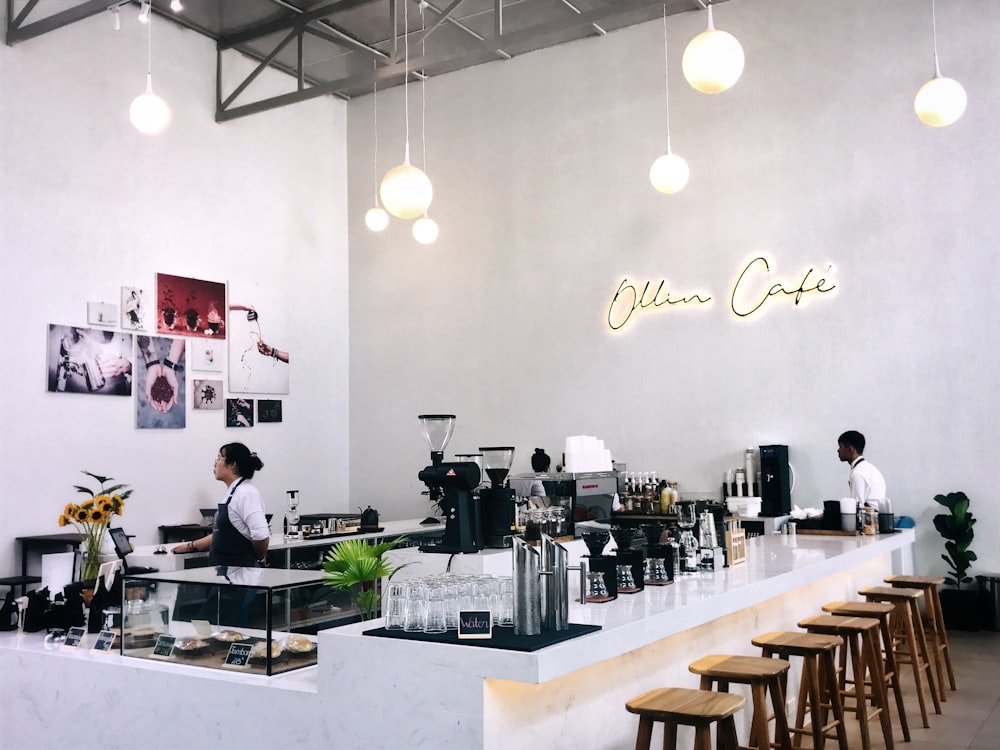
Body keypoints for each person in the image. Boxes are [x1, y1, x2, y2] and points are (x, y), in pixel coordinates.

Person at [171, 443, 270, 567]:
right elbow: (222, 534)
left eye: (219, 458)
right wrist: (192, 546)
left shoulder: (247, 493)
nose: (215, 463)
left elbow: (261, 536)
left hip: (242, 575)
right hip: (226, 572)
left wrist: (259, 559)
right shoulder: (233, 493)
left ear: (233, 465)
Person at [837, 430, 886, 506]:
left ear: (850, 449)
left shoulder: (858, 473)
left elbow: (857, 506)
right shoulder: (870, 469)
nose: (838, 450)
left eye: (840, 447)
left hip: (868, 516)